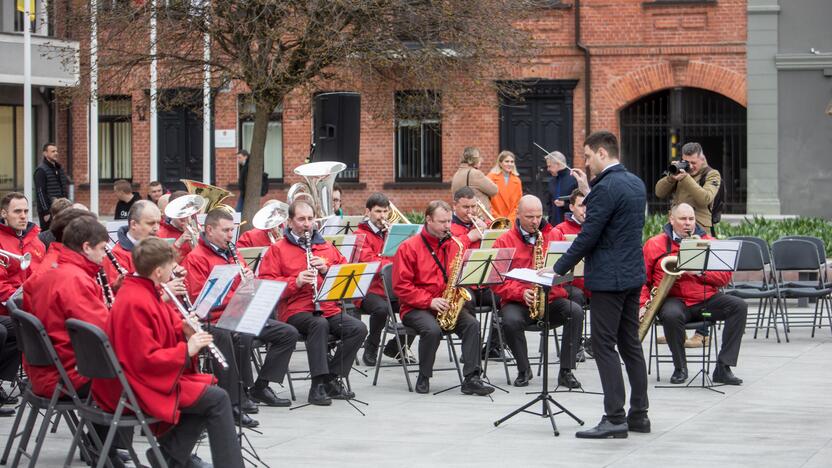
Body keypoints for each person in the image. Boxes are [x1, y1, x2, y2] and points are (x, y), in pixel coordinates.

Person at [93, 237, 244, 468]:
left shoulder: (142, 290)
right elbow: (145, 358)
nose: (173, 270)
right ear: (158, 271)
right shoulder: (136, 300)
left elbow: (158, 330)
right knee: (218, 400)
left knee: (209, 391)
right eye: (170, 267)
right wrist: (187, 349)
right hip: (136, 385)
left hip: (140, 378)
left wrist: (182, 328)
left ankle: (169, 457)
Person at [552, 131, 649, 439]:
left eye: (589, 156)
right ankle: (640, 415)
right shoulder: (635, 182)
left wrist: (557, 268)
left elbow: (589, 234)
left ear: (603, 154)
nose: (587, 162)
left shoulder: (606, 187)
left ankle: (614, 418)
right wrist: (587, 189)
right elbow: (616, 220)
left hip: (610, 278)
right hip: (633, 274)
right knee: (630, 344)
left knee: (603, 345)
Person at [182, 209, 298, 425]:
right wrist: (237, 293)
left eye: (232, 230)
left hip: (241, 314)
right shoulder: (195, 258)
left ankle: (260, 386)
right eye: (225, 230)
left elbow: (247, 288)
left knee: (287, 333)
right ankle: (238, 396)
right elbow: (199, 300)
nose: (230, 236)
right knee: (241, 337)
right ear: (209, 230)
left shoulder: (232, 253)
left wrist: (250, 282)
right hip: (216, 320)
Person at [258, 200, 368, 405]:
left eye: (310, 219)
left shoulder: (325, 246)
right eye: (301, 219)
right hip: (295, 309)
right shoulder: (278, 249)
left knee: (358, 328)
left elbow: (345, 271)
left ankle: (331, 378)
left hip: (326, 306)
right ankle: (317, 386)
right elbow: (266, 285)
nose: (307, 224)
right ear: (290, 222)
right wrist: (296, 282)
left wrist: (327, 270)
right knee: (319, 324)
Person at [392, 200, 493, 396]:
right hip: (415, 307)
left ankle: (472, 378)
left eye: (449, 221)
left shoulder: (453, 244)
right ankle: (424, 375)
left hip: (446, 304)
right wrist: (428, 301)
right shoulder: (408, 248)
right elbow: (401, 287)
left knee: (472, 325)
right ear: (428, 220)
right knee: (432, 330)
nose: (447, 226)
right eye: (442, 222)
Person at [640, 203, 746, 385]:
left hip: (705, 299)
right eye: (682, 219)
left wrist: (698, 271)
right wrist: (642, 305)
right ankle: (680, 367)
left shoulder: (709, 242)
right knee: (671, 315)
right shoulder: (655, 244)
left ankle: (723, 367)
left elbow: (723, 279)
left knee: (738, 306)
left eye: (691, 219)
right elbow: (642, 279)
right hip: (673, 300)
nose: (687, 223)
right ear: (671, 219)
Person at [492, 195, 584, 388]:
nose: (535, 221)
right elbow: (497, 281)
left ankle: (566, 371)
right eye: (529, 217)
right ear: (518, 215)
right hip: (518, 301)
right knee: (510, 321)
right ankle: (523, 369)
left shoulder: (554, 235)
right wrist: (520, 293)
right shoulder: (503, 241)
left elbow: (566, 274)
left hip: (550, 298)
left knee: (575, 312)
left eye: (539, 216)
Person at [654, 142, 721, 346]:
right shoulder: (680, 172)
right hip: (677, 231)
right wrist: (671, 176)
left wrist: (687, 178)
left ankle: (703, 333)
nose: (690, 166)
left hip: (700, 231)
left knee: (703, 282)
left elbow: (705, 198)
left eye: (693, 162)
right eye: (687, 161)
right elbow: (658, 191)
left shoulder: (712, 174)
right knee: (676, 281)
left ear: (702, 158)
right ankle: (676, 330)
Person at [355, 193, 413, 366]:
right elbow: (369, 262)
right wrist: (390, 262)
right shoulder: (360, 234)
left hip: (392, 287)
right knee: (381, 309)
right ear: (368, 212)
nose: (382, 216)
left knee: (418, 306)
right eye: (378, 212)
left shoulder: (391, 233)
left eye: (385, 212)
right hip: (368, 289)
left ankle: (397, 345)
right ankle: (371, 347)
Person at [0, 193, 45, 303]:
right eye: (17, 211)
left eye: (26, 211)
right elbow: (1, 286)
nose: (23, 216)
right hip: (11, 308)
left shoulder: (36, 240)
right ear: (4, 213)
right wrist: (27, 301)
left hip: (35, 302)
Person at [103, 200, 162, 280]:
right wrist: (163, 291)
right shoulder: (117, 255)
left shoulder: (160, 247)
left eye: (158, 223)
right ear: (134, 224)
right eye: (151, 223)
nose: (156, 228)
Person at [33, 143, 70, 230]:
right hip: (48, 211)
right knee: (48, 235)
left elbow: (64, 189)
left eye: (56, 151)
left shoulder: (59, 169)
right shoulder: (41, 171)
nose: (56, 153)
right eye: (53, 151)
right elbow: (40, 193)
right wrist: (46, 212)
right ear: (45, 153)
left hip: (62, 210)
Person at [450, 147, 499, 211]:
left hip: (462, 213)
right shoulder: (475, 174)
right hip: (477, 214)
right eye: (479, 158)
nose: (481, 160)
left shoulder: (457, 173)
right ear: (474, 160)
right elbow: (494, 190)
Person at [157, 191, 198, 260]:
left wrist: (198, 244)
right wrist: (178, 243)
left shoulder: (198, 228)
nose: (185, 216)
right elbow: (160, 262)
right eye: (180, 211)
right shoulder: (161, 233)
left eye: (188, 211)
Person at [486, 150, 522, 224]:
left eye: (512, 162)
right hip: (494, 220)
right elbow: (486, 201)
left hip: (511, 221)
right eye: (507, 161)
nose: (510, 164)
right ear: (500, 163)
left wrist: (510, 219)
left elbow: (518, 204)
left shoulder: (517, 181)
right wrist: (498, 218)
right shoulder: (490, 178)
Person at [545, 151, 577, 227]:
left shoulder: (574, 179)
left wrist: (565, 205)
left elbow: (581, 204)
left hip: (571, 226)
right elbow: (549, 204)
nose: (547, 169)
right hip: (554, 227)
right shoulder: (551, 182)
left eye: (549, 166)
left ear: (557, 164)